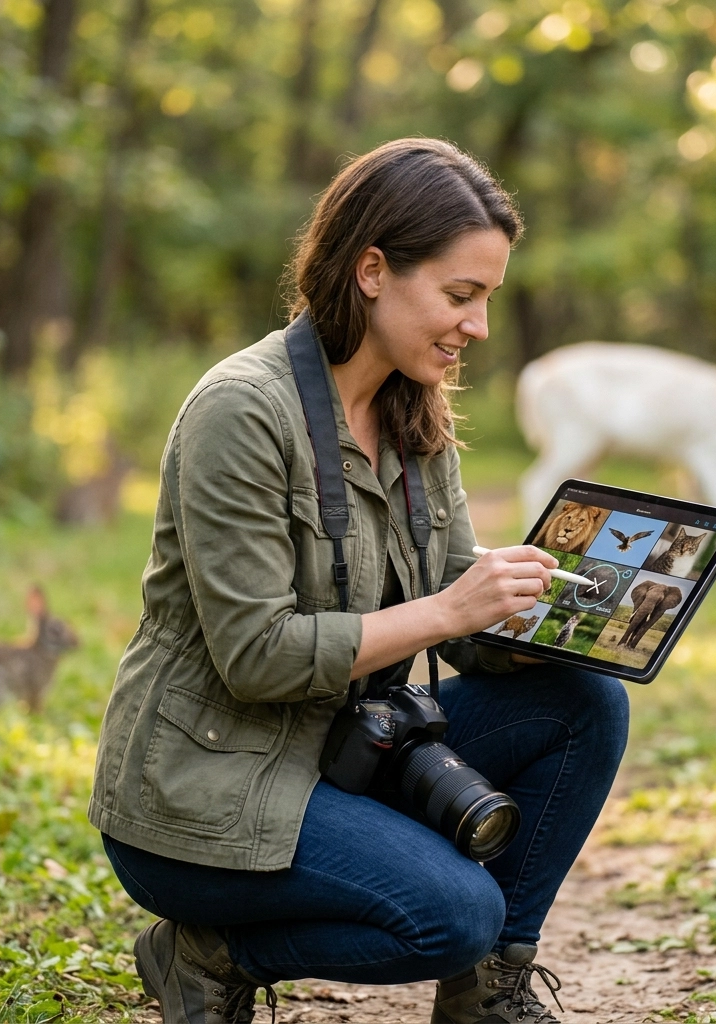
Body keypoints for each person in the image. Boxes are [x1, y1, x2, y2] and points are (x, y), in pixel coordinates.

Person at [89, 138, 629, 1024]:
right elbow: (256, 658)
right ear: (373, 270)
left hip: (344, 751)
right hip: (203, 792)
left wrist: (542, 618)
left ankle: (487, 996)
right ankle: (205, 954)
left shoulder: (415, 411)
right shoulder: (242, 410)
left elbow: (453, 618)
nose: (478, 328)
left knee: (588, 702)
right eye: (461, 296)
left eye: (487, 299)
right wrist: (448, 607)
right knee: (455, 914)